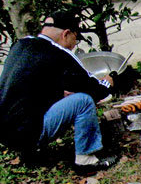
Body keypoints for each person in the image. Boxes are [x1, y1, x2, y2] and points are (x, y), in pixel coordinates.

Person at [0, 11, 117, 173]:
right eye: (75, 39)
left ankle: (29, 152)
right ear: (66, 34)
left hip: (4, 133)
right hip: (28, 133)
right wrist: (107, 83)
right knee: (83, 101)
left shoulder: (21, 44)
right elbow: (96, 91)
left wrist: (59, 93)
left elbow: (29, 86)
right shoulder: (59, 53)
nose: (74, 45)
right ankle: (86, 161)